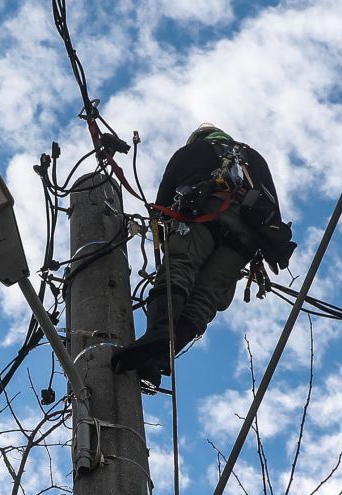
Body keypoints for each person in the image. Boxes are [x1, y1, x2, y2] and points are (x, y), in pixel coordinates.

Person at [110, 124, 296, 389]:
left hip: (203, 214)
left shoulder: (192, 151)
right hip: (245, 237)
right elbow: (272, 208)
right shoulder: (255, 159)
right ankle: (159, 355)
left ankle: (159, 334)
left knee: (180, 268)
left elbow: (162, 206)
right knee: (206, 298)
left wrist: (167, 240)